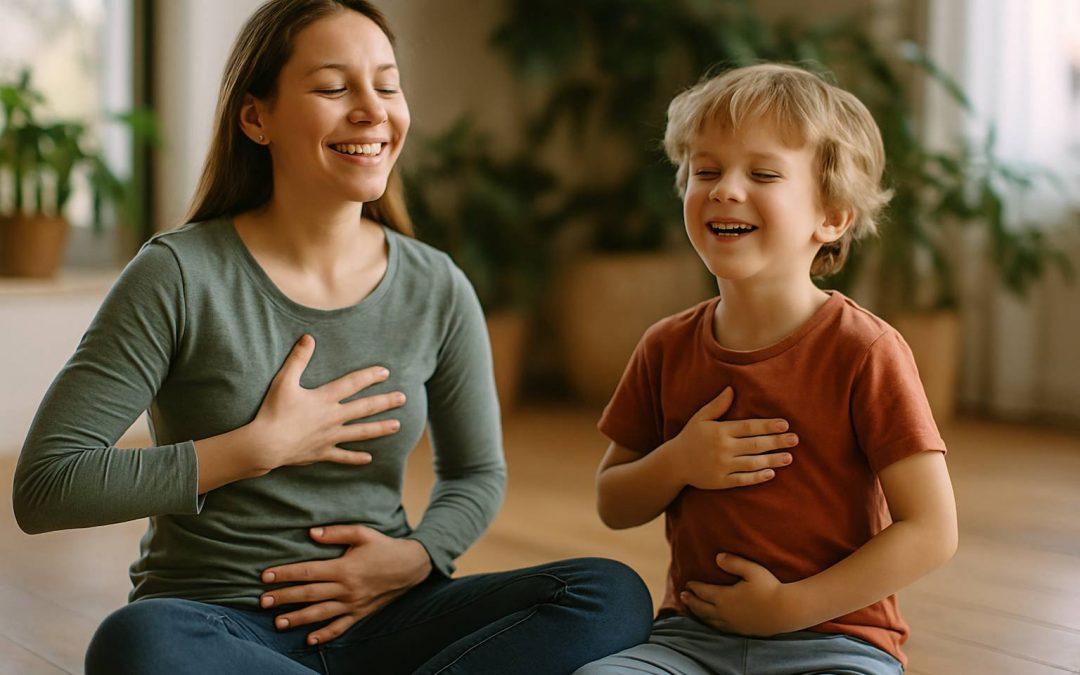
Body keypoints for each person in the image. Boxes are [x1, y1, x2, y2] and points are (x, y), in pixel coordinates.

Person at [11, 1, 653, 673]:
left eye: (387, 83)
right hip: (219, 621)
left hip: (392, 615)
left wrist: (415, 556)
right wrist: (254, 448)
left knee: (608, 594)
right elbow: (49, 483)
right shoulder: (178, 274)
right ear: (256, 117)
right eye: (333, 86)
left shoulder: (435, 285)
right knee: (134, 643)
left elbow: (475, 473)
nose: (373, 110)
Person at [574, 63, 958, 675]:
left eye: (763, 173)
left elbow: (932, 530)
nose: (725, 189)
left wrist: (788, 608)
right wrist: (679, 462)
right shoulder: (665, 346)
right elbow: (613, 503)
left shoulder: (865, 350)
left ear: (831, 217)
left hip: (836, 642)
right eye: (706, 171)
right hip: (689, 640)